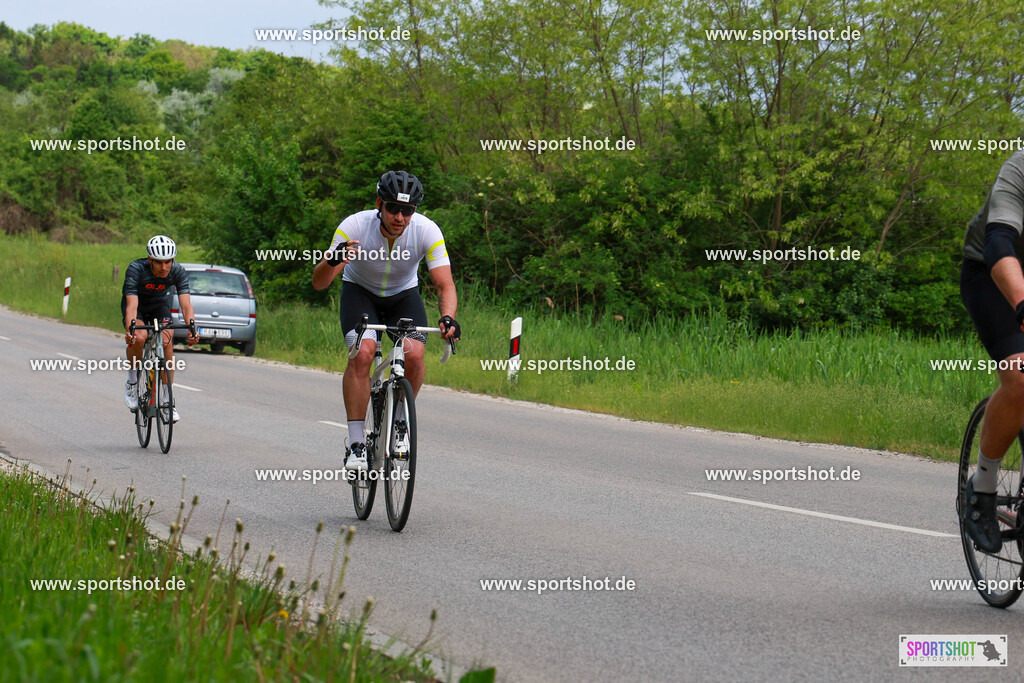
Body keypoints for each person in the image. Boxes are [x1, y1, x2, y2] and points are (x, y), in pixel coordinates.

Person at [312, 170, 460, 471]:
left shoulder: (427, 231)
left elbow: (445, 285)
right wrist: (333, 259)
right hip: (359, 293)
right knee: (364, 353)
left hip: (403, 296)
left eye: (407, 210)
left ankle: (400, 424)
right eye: (393, 208)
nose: (400, 217)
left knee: (415, 353)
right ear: (380, 204)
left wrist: (448, 318)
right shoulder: (353, 226)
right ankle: (355, 444)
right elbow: (319, 283)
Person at [961, 149, 1024, 552]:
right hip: (993, 271)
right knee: (1021, 374)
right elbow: (999, 242)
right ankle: (981, 490)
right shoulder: (1019, 169)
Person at [122, 235, 198, 422]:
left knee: (166, 342)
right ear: (150, 260)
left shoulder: (178, 271)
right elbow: (131, 306)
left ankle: (167, 403)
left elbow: (186, 305)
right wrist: (131, 330)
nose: (164, 267)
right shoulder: (136, 269)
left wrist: (192, 328)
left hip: (159, 306)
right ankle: (132, 382)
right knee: (139, 337)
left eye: (168, 262)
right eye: (159, 263)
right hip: (138, 307)